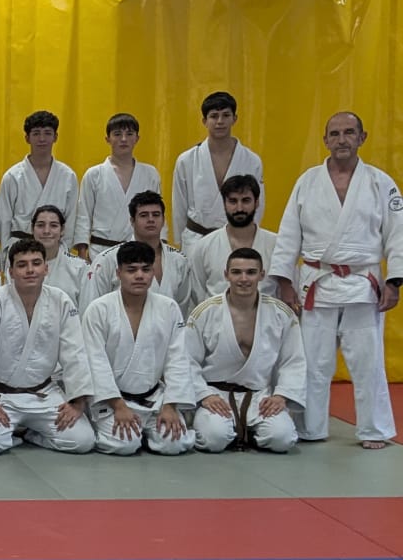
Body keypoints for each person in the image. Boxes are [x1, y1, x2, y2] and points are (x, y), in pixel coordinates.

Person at [272, 109, 403, 447]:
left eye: (349, 132)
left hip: (362, 282)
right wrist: (284, 280)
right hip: (318, 280)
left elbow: (397, 234)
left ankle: (374, 429)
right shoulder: (308, 181)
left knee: (367, 362)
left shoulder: (380, 182)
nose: (342, 139)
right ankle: (310, 427)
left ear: (362, 137)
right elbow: (289, 233)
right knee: (313, 360)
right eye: (335, 133)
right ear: (325, 140)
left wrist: (394, 281)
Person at [0, 239, 95, 455]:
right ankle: (17, 431)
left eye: (36, 263)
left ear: (46, 268)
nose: (30, 270)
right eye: (22, 264)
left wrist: (77, 399)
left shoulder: (60, 301)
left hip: (44, 393)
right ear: (10, 272)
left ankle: (30, 434)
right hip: (2, 395)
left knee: (83, 440)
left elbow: (75, 352)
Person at [81, 243, 197, 455]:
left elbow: (177, 359)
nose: (139, 276)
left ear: (153, 272)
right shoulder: (99, 309)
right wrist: (118, 405)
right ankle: (122, 430)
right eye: (131, 270)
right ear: (118, 273)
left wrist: (171, 405)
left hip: (155, 399)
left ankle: (147, 431)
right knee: (124, 445)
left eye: (146, 269)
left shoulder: (168, 308)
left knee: (174, 444)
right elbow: (95, 362)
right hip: (113, 399)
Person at [187, 250, 304, 454]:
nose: (243, 279)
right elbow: (187, 360)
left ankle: (247, 431)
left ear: (262, 274)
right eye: (236, 272)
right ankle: (232, 429)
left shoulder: (281, 313)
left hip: (259, 396)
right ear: (226, 274)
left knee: (282, 439)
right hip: (216, 395)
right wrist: (203, 395)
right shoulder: (205, 311)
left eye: (250, 272)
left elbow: (293, 361)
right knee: (214, 440)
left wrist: (281, 396)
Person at [171, 91, 264, 246]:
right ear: (204, 121)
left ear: (235, 119)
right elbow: (179, 205)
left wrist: (248, 237)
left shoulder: (252, 160)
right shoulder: (186, 160)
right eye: (214, 116)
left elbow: (257, 205)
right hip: (196, 239)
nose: (220, 121)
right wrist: (180, 243)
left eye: (226, 115)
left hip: (237, 239)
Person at [89, 192, 194, 315]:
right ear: (132, 221)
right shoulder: (107, 260)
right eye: (144, 215)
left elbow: (183, 309)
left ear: (164, 220)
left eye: (156, 215)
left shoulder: (179, 260)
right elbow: (93, 309)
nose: (151, 220)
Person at [75, 113, 161, 254]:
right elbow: (83, 217)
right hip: (100, 252)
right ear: (107, 139)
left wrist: (158, 250)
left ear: (137, 138)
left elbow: (158, 215)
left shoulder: (150, 174)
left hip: (139, 252)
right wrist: (82, 255)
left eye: (129, 134)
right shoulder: (94, 175)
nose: (123, 139)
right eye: (117, 134)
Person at [186, 174, 279, 301]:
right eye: (233, 201)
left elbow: (285, 293)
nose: (239, 208)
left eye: (246, 200)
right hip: (216, 318)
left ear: (257, 203)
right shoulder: (204, 246)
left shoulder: (277, 246)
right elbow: (197, 294)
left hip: (267, 319)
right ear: (224, 204)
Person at [0, 111, 80, 245]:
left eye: (47, 133)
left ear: (55, 137)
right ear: (27, 138)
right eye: (36, 133)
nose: (42, 139)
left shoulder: (68, 176)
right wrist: (7, 252)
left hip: (55, 247)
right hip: (20, 245)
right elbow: (4, 220)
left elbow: (70, 220)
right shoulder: (12, 176)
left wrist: (64, 252)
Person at [26, 202, 90, 306]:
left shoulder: (80, 268)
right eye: (40, 225)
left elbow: (85, 310)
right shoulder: (19, 266)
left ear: (62, 230)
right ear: (32, 229)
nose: (46, 231)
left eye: (53, 226)